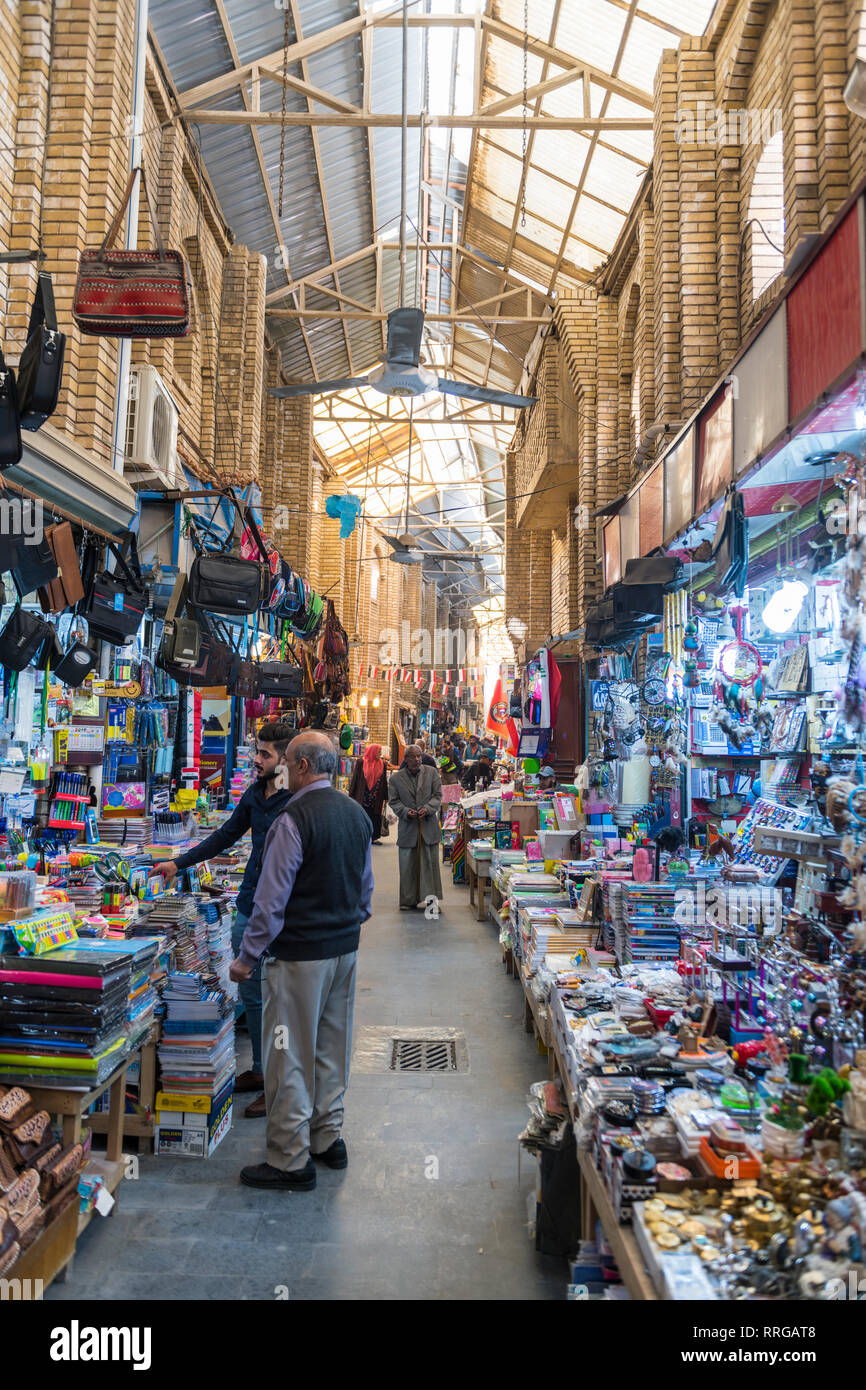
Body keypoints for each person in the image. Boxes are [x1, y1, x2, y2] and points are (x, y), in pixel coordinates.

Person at [230, 731, 374, 1191]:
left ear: (305, 766)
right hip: (343, 952)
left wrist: (247, 957)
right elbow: (365, 891)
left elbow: (270, 903)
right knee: (332, 1047)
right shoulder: (355, 814)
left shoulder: (292, 820)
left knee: (287, 1053)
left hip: (298, 958)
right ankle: (327, 1137)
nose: (283, 770)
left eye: (288, 763)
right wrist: (344, 924)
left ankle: (290, 1159)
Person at [150, 721, 294, 1119]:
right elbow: (225, 836)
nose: (256, 759)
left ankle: (278, 1083)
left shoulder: (297, 799)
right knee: (249, 988)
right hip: (250, 899)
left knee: (278, 996)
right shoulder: (255, 795)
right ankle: (263, 1070)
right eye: (257, 752)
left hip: (283, 909)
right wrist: (177, 863)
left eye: (265, 753)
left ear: (284, 758)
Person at [388, 744, 443, 911]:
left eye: (419, 756)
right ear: (406, 759)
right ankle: (407, 900)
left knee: (430, 866)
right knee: (407, 865)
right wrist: (405, 811)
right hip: (408, 827)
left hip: (428, 827)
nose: (418, 759)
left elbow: (437, 795)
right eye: (413, 756)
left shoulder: (432, 773)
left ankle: (432, 902)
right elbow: (394, 801)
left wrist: (428, 808)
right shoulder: (396, 779)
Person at [347, 743, 389, 842]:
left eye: (380, 752)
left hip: (376, 796)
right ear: (372, 751)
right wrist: (351, 794)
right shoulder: (361, 762)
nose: (380, 754)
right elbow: (355, 779)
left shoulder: (382, 764)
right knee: (362, 815)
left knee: (375, 816)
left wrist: (386, 796)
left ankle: (374, 837)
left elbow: (384, 782)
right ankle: (360, 836)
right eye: (378, 751)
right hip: (363, 795)